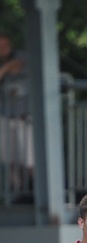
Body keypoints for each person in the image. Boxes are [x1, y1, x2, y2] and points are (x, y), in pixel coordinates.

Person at [0, 33, 32, 193]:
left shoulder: (21, 56)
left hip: (24, 116)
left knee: (29, 160)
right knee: (10, 160)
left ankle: (36, 191)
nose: (2, 49)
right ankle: (17, 192)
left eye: (5, 45)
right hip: (5, 116)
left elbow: (16, 66)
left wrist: (3, 70)